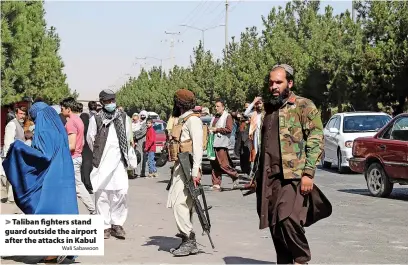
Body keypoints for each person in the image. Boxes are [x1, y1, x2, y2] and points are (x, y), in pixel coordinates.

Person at [251, 64, 331, 264]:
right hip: (269, 177)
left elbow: (316, 139)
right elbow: (265, 144)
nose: (274, 86)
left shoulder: (304, 106)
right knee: (273, 223)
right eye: (271, 82)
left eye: (279, 82)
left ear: (290, 83)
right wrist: (256, 175)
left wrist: (308, 173)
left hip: (293, 175)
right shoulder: (269, 108)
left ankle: (302, 258)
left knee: (287, 218)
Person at [2, 101, 78, 263]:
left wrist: (19, 148)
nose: (35, 121)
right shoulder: (59, 130)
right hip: (65, 174)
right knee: (63, 210)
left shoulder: (44, 130)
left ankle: (52, 252)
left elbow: (44, 155)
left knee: (46, 210)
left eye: (35, 117)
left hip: (51, 177)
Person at [87, 89, 132, 240]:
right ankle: (105, 226)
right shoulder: (97, 118)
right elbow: (90, 139)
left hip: (119, 160)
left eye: (113, 100)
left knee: (121, 191)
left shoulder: (123, 117)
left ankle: (117, 224)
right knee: (102, 194)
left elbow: (127, 135)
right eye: (108, 101)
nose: (111, 103)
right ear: (102, 103)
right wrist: (100, 153)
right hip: (102, 161)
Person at [167, 89, 203, 257]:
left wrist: (196, 171)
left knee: (179, 203)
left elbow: (197, 148)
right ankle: (186, 238)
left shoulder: (193, 120)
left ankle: (189, 239)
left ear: (179, 103)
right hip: (180, 166)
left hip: (188, 168)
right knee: (184, 204)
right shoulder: (182, 119)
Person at [61, 97, 96, 215]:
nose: (61, 110)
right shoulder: (79, 120)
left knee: (78, 187)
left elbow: (71, 145)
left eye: (62, 108)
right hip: (78, 156)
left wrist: (60, 147)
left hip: (73, 157)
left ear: (68, 109)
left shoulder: (71, 122)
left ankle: (93, 210)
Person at [209, 99, 239, 191]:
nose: (216, 108)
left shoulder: (227, 116)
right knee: (215, 165)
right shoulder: (215, 117)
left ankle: (235, 175)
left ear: (223, 107)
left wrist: (216, 129)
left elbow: (229, 129)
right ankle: (216, 184)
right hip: (213, 143)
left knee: (223, 164)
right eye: (215, 106)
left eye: (218, 106)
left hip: (221, 143)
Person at [3, 106, 27, 203]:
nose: (22, 116)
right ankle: (11, 198)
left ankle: (12, 197)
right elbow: (8, 142)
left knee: (14, 176)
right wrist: (9, 157)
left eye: (24, 114)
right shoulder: (12, 124)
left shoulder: (19, 124)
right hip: (12, 155)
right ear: (16, 113)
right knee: (12, 176)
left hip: (18, 155)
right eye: (21, 114)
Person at [79, 102, 94, 194]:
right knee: (88, 167)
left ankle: (83, 184)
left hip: (82, 148)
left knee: (82, 168)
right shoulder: (90, 127)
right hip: (89, 149)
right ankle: (89, 184)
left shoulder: (80, 128)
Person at [134, 110, 148, 178]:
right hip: (139, 141)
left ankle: (139, 172)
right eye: (141, 115)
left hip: (142, 141)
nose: (142, 116)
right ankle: (139, 172)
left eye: (144, 115)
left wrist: (134, 135)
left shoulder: (145, 124)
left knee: (140, 156)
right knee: (139, 156)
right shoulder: (140, 123)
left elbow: (142, 132)